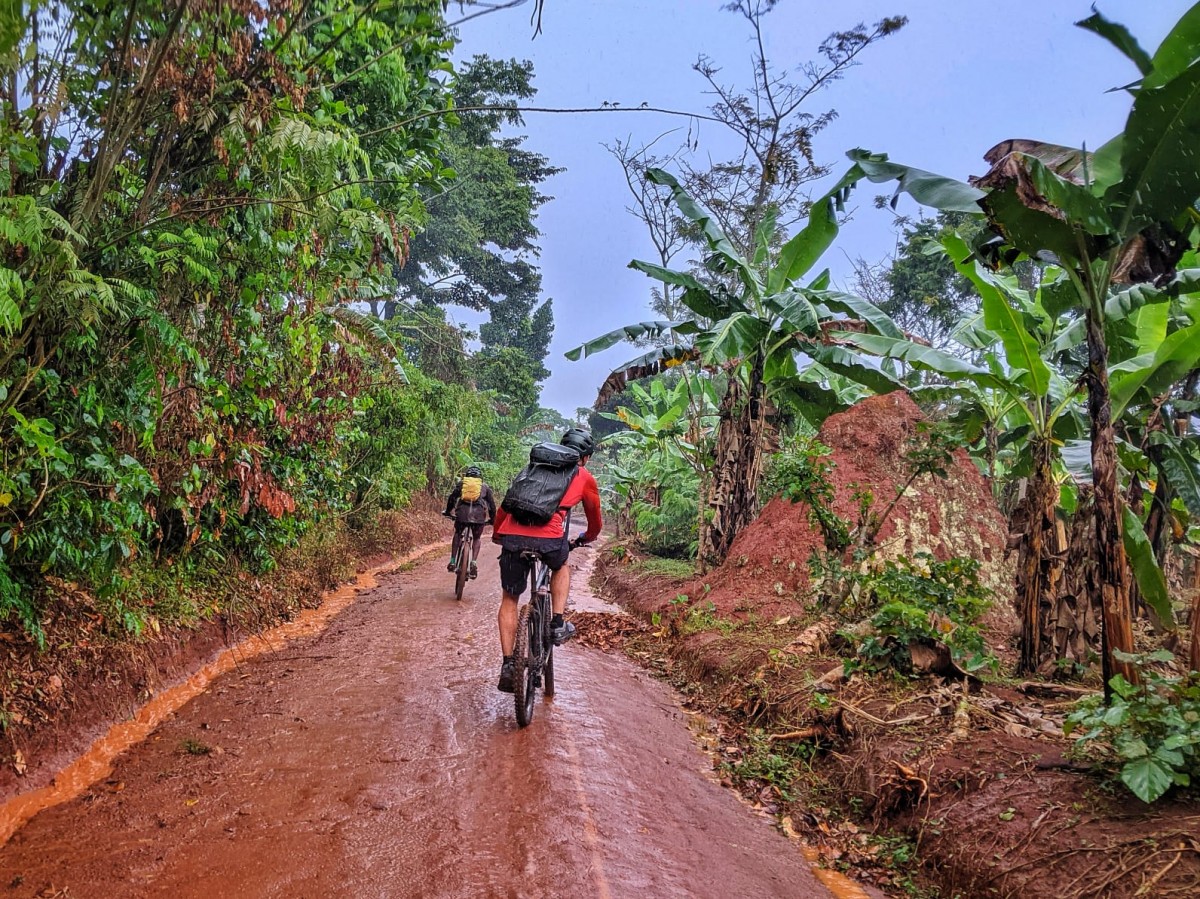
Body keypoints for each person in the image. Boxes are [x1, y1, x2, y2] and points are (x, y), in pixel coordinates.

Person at [491, 428, 602, 693]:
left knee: (509, 599)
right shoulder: (584, 476)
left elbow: (506, 505)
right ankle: (557, 622)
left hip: (512, 537)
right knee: (561, 565)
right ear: (584, 458)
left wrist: (498, 534)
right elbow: (595, 520)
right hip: (550, 539)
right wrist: (587, 537)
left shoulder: (533, 468)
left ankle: (508, 664)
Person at [443, 465, 496, 579]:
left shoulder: (462, 484)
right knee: (476, 538)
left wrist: (448, 512)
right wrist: (492, 519)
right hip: (478, 517)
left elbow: (452, 498)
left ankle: (452, 561)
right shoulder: (485, 487)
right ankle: (473, 562)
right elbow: (492, 505)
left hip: (462, 515)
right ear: (479, 477)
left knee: (457, 533)